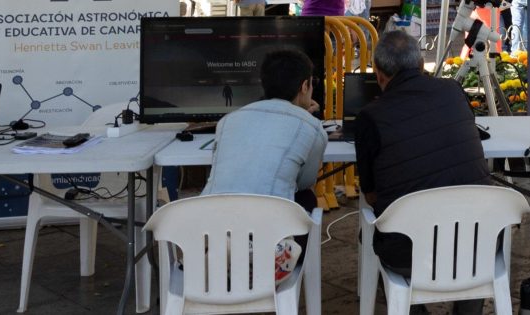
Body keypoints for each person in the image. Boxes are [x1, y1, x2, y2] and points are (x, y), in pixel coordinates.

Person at [355, 30, 490, 314]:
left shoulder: (370, 117)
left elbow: (371, 195)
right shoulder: (453, 91)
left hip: (409, 252)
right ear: (419, 64)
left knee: (371, 235)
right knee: (472, 240)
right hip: (478, 244)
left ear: (379, 75)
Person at [202, 49, 327, 260]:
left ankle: (220, 259)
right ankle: (269, 263)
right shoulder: (311, 127)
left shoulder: (227, 121)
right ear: (305, 86)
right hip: (268, 247)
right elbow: (305, 181)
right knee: (306, 197)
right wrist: (304, 117)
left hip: (210, 234)